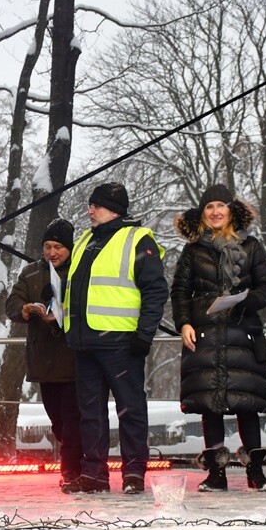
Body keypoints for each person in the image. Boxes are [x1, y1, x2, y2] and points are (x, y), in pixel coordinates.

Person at [61, 182, 168, 495]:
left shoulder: (138, 239)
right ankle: (94, 474)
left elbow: (155, 291)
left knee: (130, 409)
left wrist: (144, 335)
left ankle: (133, 473)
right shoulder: (85, 240)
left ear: (114, 209)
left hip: (121, 342)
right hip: (85, 343)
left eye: (96, 205)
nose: (89, 210)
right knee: (89, 413)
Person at [170, 184, 266, 492]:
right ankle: (216, 474)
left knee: (247, 404)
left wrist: (244, 301)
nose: (215, 211)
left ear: (231, 210)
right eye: (209, 207)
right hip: (204, 333)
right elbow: (179, 291)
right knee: (210, 405)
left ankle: (256, 472)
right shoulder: (192, 249)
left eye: (221, 205)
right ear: (202, 214)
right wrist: (184, 323)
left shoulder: (251, 246)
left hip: (242, 332)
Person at [5, 218, 81, 488]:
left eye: (58, 247)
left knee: (73, 419)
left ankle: (72, 469)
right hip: (45, 360)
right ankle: (74, 462)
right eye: (47, 247)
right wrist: (24, 309)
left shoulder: (81, 271)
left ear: (70, 248)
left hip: (74, 358)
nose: (52, 253)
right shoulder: (31, 273)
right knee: (57, 418)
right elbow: (12, 302)